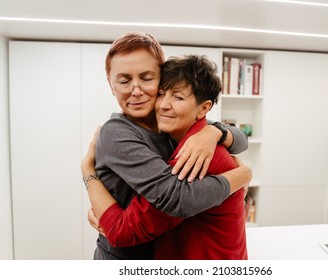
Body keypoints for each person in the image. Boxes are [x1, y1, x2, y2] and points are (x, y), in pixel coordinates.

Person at [81, 32, 251, 260]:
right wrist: (241, 177)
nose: (136, 90)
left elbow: (241, 140)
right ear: (111, 84)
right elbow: (174, 197)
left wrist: (216, 131)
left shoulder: (170, 124)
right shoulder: (117, 132)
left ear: (161, 77)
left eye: (147, 78)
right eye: (123, 81)